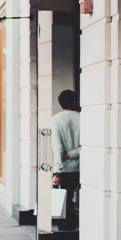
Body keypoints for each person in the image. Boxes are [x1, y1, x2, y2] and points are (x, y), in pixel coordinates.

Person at [51, 89, 81, 231]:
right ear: (74, 101)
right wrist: (75, 153)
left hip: (65, 169)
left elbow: (58, 149)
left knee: (66, 202)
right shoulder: (83, 117)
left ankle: (67, 231)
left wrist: (57, 172)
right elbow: (87, 146)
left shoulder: (56, 120)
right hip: (82, 167)